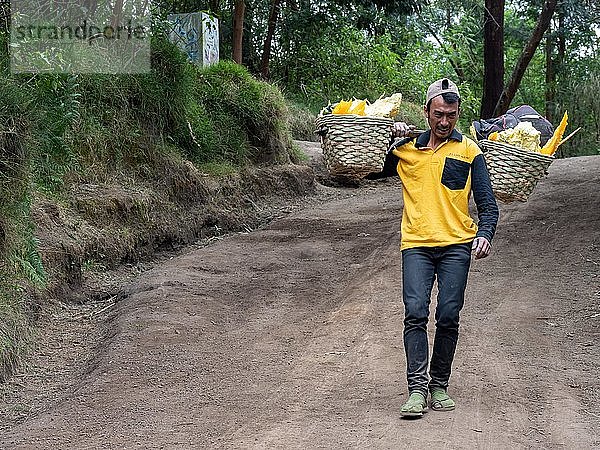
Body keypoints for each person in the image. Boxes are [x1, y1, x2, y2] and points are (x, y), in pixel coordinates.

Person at [368, 78, 499, 417]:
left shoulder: (470, 151)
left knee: (448, 315)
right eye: (439, 114)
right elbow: (368, 171)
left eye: (451, 116)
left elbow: (487, 202)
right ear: (426, 111)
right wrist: (390, 137)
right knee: (415, 313)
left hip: (457, 244)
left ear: (458, 114)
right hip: (416, 245)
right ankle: (416, 389)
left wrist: (485, 233)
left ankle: (439, 384)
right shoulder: (406, 149)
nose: (444, 122)